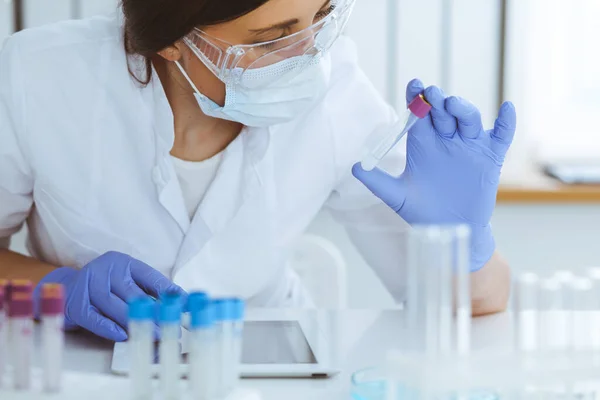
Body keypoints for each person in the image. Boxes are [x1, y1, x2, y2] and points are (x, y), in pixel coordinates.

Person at [0, 0, 516, 341]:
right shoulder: (37, 75)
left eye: (320, 17)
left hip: (268, 371)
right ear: (170, 39)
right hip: (80, 366)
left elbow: (470, 308)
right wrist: (54, 288)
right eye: (271, 40)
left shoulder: (338, 93)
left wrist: (467, 240)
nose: (308, 57)